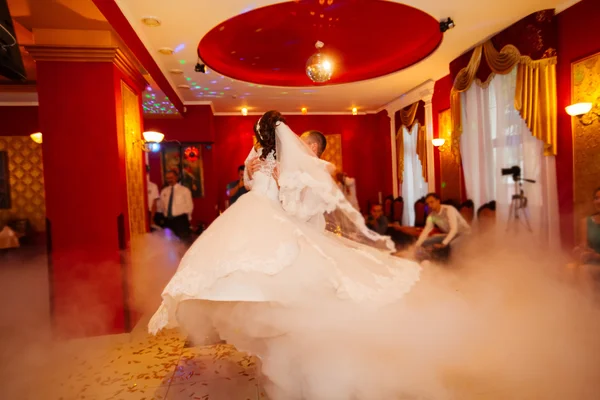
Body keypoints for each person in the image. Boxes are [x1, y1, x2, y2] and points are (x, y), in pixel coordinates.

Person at [149, 111, 425, 399]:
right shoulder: (258, 154)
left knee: (290, 280)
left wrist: (281, 184)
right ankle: (278, 344)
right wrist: (252, 172)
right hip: (260, 214)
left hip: (285, 222)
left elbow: (296, 204)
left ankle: (303, 350)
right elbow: (248, 183)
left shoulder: (300, 165)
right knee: (251, 267)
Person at [414, 192, 471, 260]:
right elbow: (426, 230)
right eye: (428, 203)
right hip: (450, 234)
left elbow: (454, 229)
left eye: (431, 202)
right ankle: (429, 260)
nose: (429, 205)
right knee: (426, 242)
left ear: (438, 201)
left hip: (464, 233)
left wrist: (444, 243)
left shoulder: (449, 209)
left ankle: (454, 266)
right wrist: (417, 245)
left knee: (452, 245)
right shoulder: (431, 216)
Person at [159, 170, 194, 239]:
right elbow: (162, 206)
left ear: (176, 177)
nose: (169, 180)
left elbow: (190, 206)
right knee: (169, 242)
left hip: (181, 220)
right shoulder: (164, 191)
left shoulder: (184, 190)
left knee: (183, 242)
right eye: (167, 178)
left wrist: (188, 219)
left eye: (171, 177)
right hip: (168, 221)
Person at [575, 187, 600, 266]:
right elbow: (584, 246)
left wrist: (595, 256)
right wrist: (581, 251)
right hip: (591, 267)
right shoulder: (585, 221)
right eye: (596, 198)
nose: (599, 201)